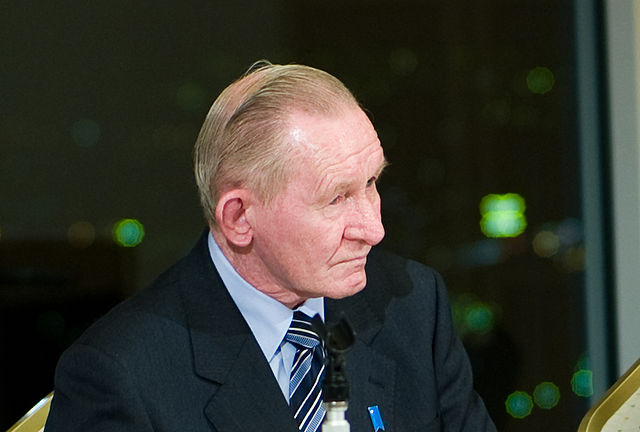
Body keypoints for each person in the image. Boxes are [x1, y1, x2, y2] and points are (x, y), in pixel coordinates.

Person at [45, 61, 496, 431]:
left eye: (372, 182)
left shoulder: (412, 304)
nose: (373, 229)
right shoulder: (119, 377)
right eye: (336, 198)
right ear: (239, 218)